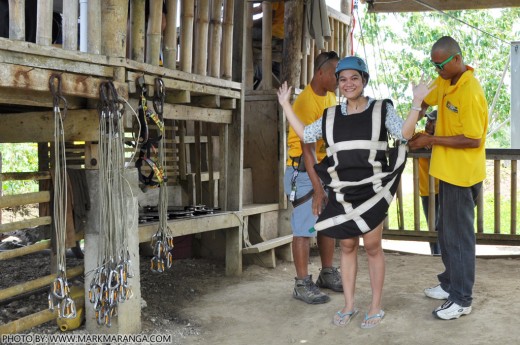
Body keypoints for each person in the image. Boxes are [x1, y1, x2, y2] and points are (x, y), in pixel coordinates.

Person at [278, 56, 433, 328]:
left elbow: (405, 134)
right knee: (347, 246)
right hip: (342, 192)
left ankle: (375, 307)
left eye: (354, 78)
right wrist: (285, 105)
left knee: (372, 247)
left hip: (372, 192)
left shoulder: (382, 109)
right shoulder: (329, 116)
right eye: (343, 79)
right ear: (338, 84)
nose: (348, 84)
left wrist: (417, 103)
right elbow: (305, 135)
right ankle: (349, 305)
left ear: (364, 80)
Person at [409, 36, 488, 320]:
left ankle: (462, 298)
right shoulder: (445, 81)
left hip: (462, 176)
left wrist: (430, 139)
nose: (437, 69)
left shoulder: (470, 91)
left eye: (440, 64)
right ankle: (449, 283)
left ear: (457, 60)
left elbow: (472, 139)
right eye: (434, 64)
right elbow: (423, 101)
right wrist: (415, 111)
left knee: (459, 239)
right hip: (445, 172)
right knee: (445, 232)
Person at [283, 51, 342, 305]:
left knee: (327, 224)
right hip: (303, 173)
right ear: (320, 73)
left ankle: (327, 273)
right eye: (334, 73)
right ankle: (301, 283)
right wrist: (318, 187)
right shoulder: (306, 102)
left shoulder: (330, 97)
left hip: (322, 170)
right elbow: (307, 149)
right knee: (303, 230)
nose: (338, 78)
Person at [417, 110, 441, 255]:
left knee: (443, 224)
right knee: (432, 225)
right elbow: (409, 142)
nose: (428, 123)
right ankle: (435, 253)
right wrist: (424, 142)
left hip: (445, 186)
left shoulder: (445, 137)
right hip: (426, 189)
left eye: (432, 121)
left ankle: (444, 253)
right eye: (428, 121)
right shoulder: (421, 135)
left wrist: (433, 141)